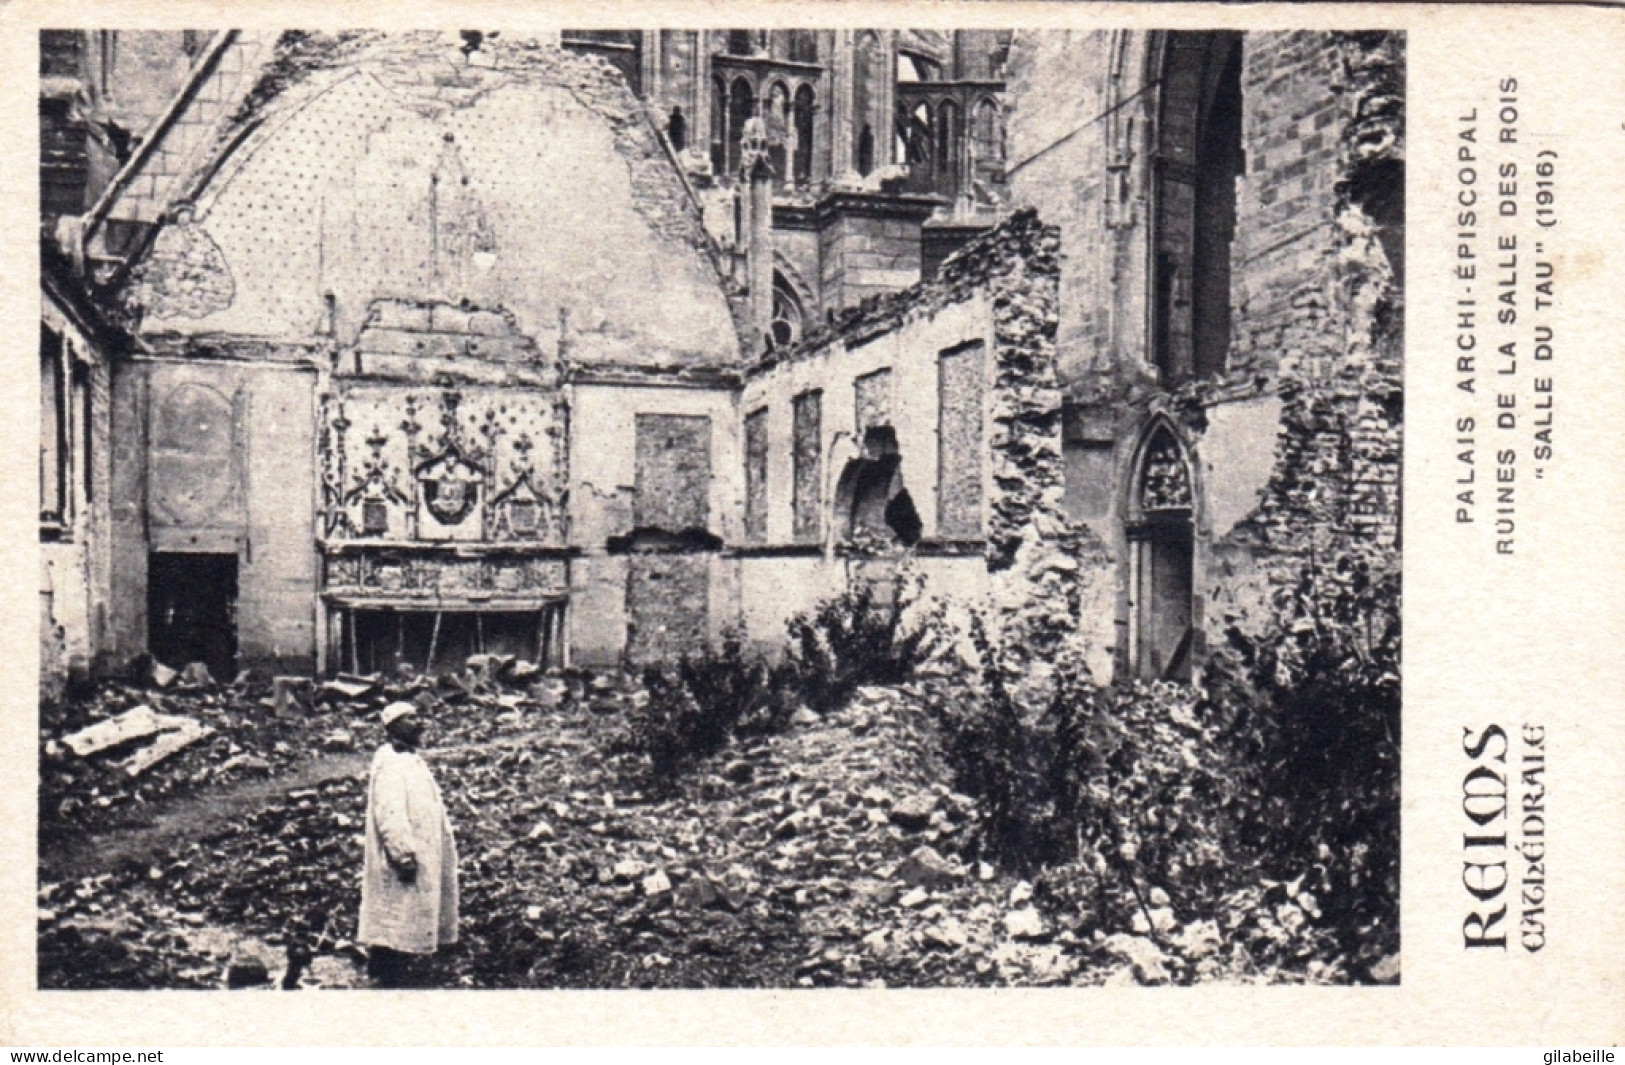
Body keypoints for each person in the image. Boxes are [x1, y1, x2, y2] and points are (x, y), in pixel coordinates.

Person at [359, 701, 459, 987]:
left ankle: (394, 973)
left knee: (406, 915)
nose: (420, 723)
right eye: (410, 719)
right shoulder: (390, 763)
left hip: (421, 851)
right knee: (395, 916)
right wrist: (402, 854)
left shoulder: (410, 760)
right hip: (403, 857)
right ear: (393, 727)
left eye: (419, 717)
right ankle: (385, 978)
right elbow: (390, 813)